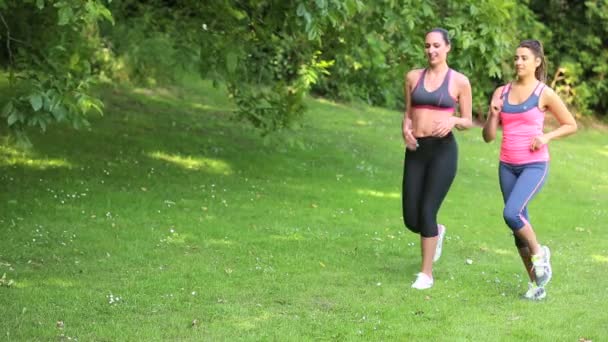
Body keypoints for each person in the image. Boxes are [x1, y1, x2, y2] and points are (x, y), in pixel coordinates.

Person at [482, 39, 577, 300]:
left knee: (512, 214)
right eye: (516, 58)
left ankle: (540, 253)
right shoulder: (501, 92)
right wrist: (492, 115)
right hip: (507, 166)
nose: (518, 62)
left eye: (524, 58)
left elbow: (570, 124)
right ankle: (537, 285)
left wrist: (546, 138)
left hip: (534, 165)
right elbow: (488, 137)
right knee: (517, 230)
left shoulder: (543, 93)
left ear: (537, 61)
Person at [402, 28, 473, 290]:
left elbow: (468, 120)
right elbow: (408, 112)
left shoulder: (459, 81)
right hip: (416, 151)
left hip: (443, 151)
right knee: (412, 219)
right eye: (427, 46)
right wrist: (405, 131)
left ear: (447, 48)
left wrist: (453, 120)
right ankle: (437, 232)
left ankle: (426, 274)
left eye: (436, 46)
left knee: (427, 210)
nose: (431, 50)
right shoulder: (412, 77)